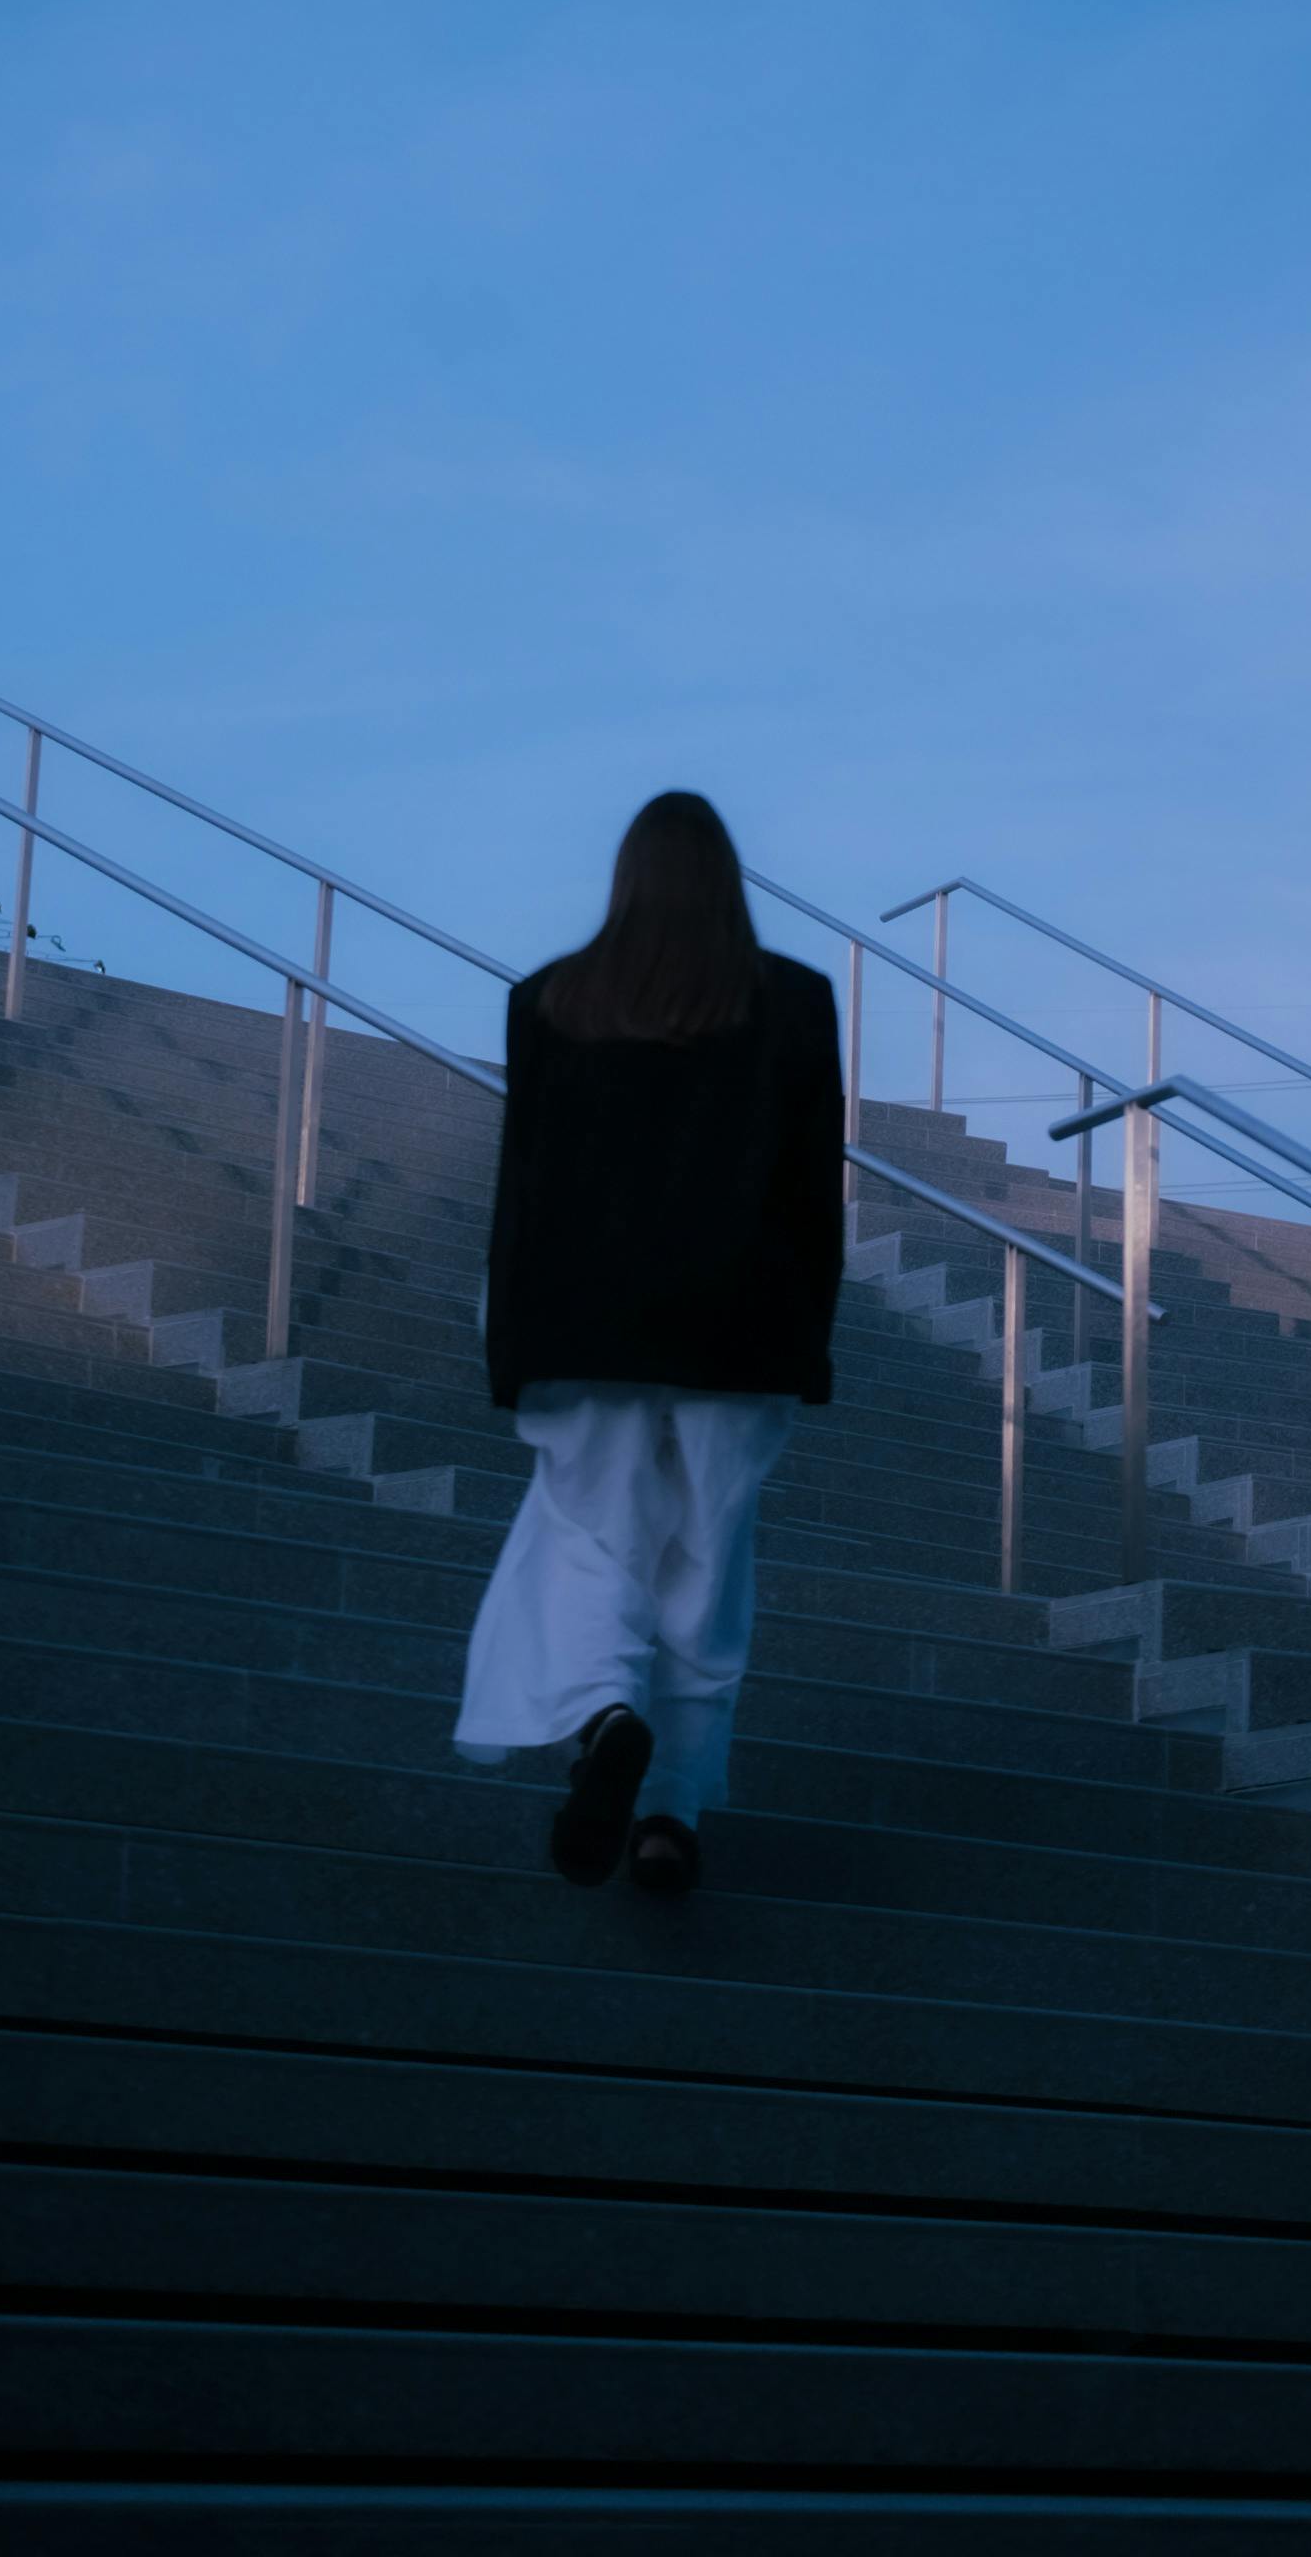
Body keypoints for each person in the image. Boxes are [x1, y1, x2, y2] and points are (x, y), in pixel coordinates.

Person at [453, 791, 845, 1895]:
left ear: (624, 878)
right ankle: (670, 1815)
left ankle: (604, 1712)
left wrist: (512, 1346)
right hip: (740, 1329)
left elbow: (520, 1190)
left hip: (584, 1325)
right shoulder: (797, 1002)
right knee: (708, 1565)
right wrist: (807, 1343)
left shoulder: (549, 1001)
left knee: (592, 1538)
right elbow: (814, 1193)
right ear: (727, 878)